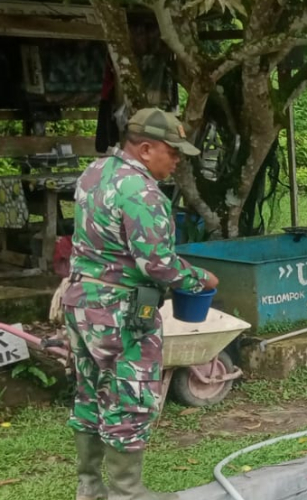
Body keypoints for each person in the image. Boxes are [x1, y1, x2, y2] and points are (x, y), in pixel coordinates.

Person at [63, 108, 219, 500]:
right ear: (146, 149)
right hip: (121, 312)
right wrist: (202, 278)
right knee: (129, 398)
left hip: (82, 301)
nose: (178, 159)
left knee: (89, 392)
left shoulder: (94, 173)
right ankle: (128, 493)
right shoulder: (142, 192)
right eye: (174, 151)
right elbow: (158, 265)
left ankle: (90, 487)